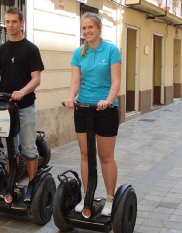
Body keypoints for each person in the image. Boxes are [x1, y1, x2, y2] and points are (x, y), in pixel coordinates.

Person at [0, 6, 44, 202]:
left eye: (14, 22)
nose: (10, 25)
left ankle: (33, 185)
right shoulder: (1, 50)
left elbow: (36, 79)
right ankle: (12, 184)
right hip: (4, 107)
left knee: (29, 147)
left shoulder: (31, 49)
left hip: (25, 106)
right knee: (9, 148)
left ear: (21, 23)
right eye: (7, 22)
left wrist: (22, 91)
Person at [64, 12, 121, 216]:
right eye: (84, 28)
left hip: (106, 110)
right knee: (85, 155)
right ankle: (87, 196)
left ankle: (110, 199)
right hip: (83, 108)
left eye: (90, 27)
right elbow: (75, 82)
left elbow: (115, 82)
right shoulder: (78, 53)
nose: (87, 31)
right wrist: (71, 96)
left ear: (99, 29)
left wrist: (107, 100)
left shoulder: (112, 50)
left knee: (105, 156)